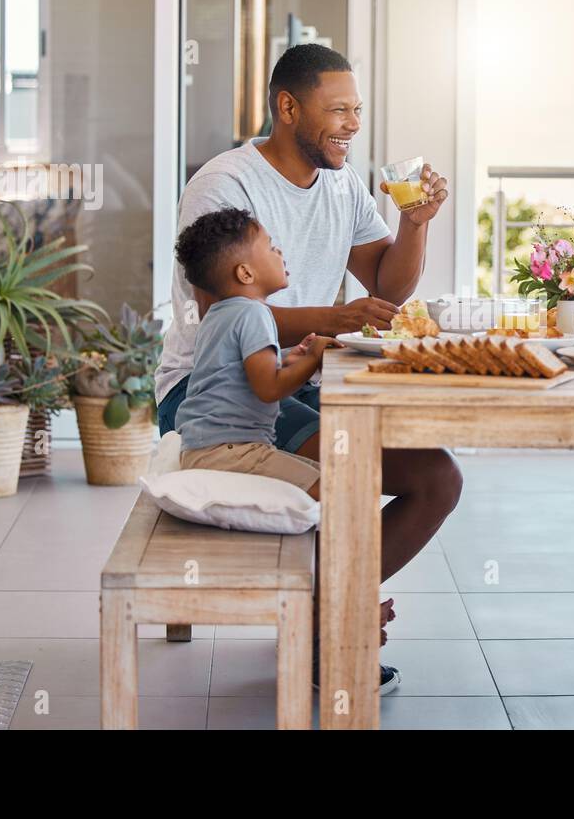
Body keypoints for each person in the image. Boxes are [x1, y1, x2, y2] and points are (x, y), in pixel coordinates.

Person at [154, 43, 464, 692]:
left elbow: (386, 281)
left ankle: (336, 602)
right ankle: (336, 622)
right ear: (287, 107)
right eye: (338, 109)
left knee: (437, 477)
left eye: (358, 109)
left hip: (294, 382)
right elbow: (224, 316)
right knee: (344, 480)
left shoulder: (343, 184)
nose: (353, 123)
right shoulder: (227, 185)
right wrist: (337, 319)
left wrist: (415, 224)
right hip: (216, 392)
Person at [172, 207, 334, 498]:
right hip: (231, 453)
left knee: (319, 475)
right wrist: (312, 359)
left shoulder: (219, 314)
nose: (279, 251)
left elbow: (233, 373)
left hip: (203, 449)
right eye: (271, 247)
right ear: (245, 273)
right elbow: (269, 389)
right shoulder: (253, 313)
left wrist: (287, 360)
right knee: (334, 487)